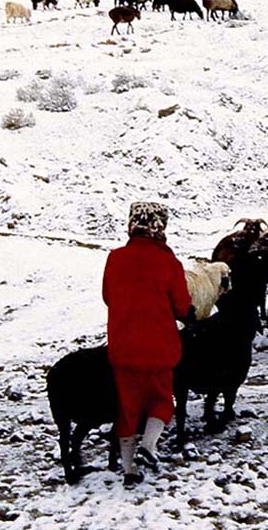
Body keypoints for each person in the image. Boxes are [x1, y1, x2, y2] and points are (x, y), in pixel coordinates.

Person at [102, 202, 194, 489]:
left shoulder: (115, 259)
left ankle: (129, 471)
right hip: (159, 347)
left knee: (128, 409)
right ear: (160, 228)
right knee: (162, 401)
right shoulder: (169, 262)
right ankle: (149, 447)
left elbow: (107, 297)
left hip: (124, 347)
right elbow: (181, 306)